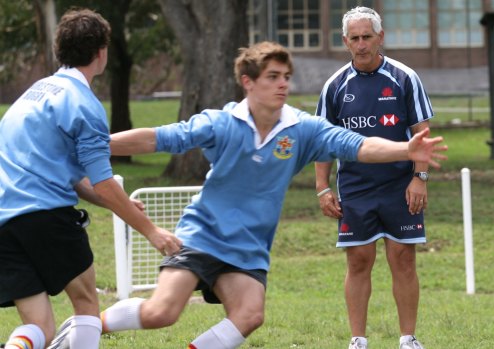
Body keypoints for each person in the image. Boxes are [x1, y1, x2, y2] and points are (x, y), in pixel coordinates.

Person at [71, 41, 447, 349]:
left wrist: (404, 151)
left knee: (250, 315)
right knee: (162, 313)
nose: (283, 84)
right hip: (204, 234)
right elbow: (158, 137)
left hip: (249, 246)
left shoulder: (303, 129)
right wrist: (97, 146)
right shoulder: (222, 123)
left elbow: (357, 145)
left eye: (286, 76)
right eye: (272, 77)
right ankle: (81, 331)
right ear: (248, 82)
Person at [0, 8, 182, 349]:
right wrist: (151, 231)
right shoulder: (84, 104)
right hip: (47, 216)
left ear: (60, 50)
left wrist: (123, 204)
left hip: (4, 222)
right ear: (101, 52)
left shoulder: (32, 94)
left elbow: (65, 176)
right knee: (86, 305)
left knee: (40, 328)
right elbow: (103, 182)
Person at [314, 7, 434, 349]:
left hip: (401, 186)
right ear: (345, 41)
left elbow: (422, 133)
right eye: (355, 38)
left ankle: (408, 338)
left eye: (368, 37)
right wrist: (323, 188)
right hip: (355, 188)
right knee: (359, 259)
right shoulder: (334, 86)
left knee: (403, 259)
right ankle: (358, 339)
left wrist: (420, 177)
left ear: (380, 37)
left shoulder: (405, 78)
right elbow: (322, 141)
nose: (362, 44)